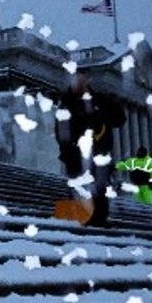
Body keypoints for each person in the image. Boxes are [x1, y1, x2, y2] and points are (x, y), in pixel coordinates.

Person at [55, 71, 127, 227]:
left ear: (87, 81)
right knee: (80, 185)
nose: (79, 84)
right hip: (75, 153)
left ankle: (100, 219)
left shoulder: (100, 101)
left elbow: (119, 120)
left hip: (99, 152)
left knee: (100, 186)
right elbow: (62, 132)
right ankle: (83, 217)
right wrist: (67, 150)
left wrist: (115, 103)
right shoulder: (66, 104)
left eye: (82, 80)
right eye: (75, 81)